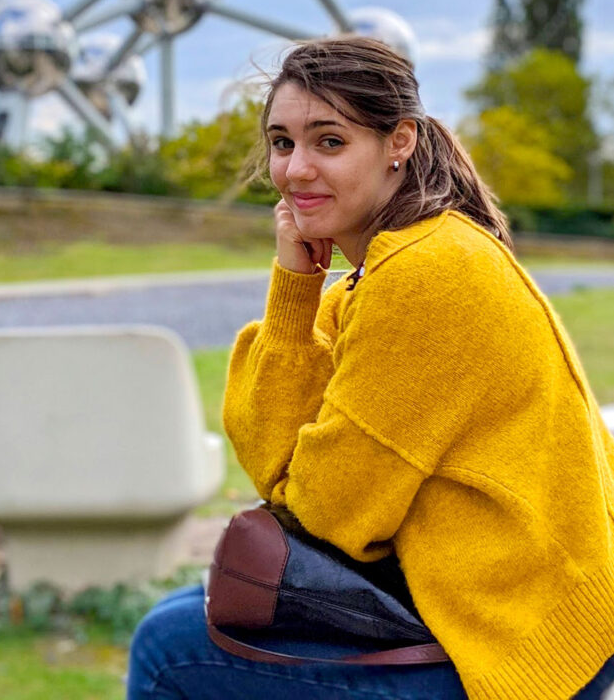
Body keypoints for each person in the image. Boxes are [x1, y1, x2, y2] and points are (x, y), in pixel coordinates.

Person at [127, 37, 614, 700]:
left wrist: (298, 471)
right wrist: (295, 285)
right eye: (281, 142)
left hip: (522, 643)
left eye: (329, 142)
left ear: (399, 142)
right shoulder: (386, 266)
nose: (296, 169)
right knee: (179, 615)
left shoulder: (426, 272)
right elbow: (268, 455)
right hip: (478, 603)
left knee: (168, 651)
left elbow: (329, 512)